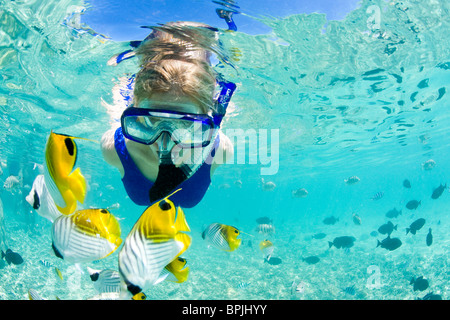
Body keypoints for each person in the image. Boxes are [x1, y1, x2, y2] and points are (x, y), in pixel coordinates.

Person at [100, 21, 236, 208]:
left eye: (184, 123)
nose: (166, 142)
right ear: (135, 112)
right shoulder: (113, 149)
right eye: (153, 119)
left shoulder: (220, 150)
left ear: (207, 116)